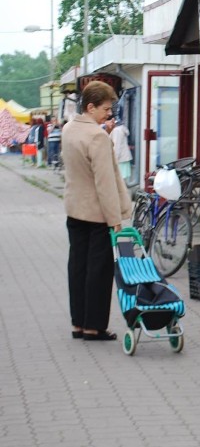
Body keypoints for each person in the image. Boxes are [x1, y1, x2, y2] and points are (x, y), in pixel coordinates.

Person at [62, 81, 131, 341]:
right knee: (98, 271)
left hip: (74, 210)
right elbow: (105, 183)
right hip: (97, 214)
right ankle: (94, 326)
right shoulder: (97, 137)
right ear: (90, 107)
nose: (109, 114)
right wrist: (115, 219)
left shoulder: (69, 129)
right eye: (105, 108)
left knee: (77, 267)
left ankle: (78, 323)